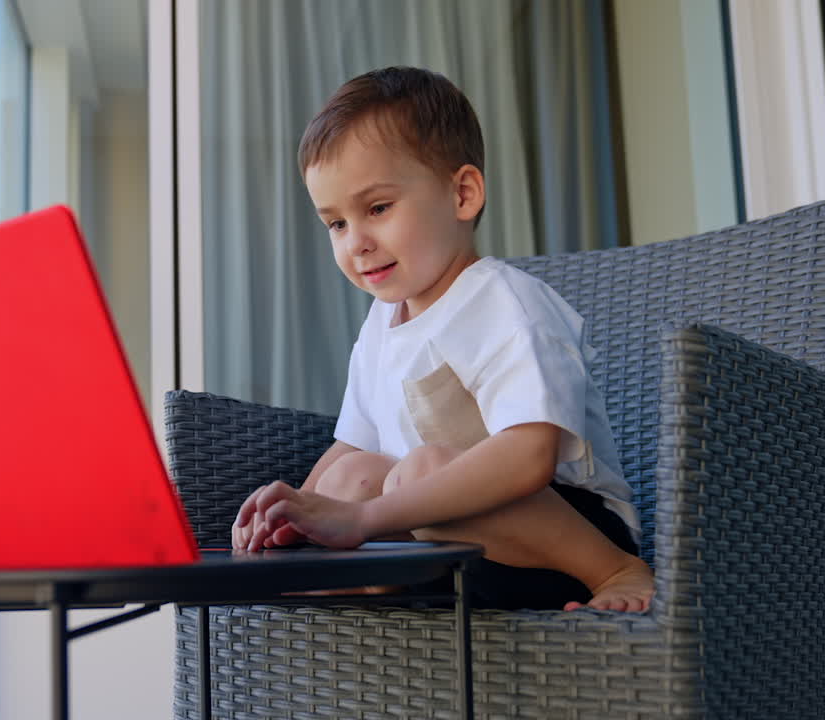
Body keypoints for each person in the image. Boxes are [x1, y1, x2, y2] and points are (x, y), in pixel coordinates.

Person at [231, 66, 653, 612]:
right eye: (335, 223)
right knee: (353, 474)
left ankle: (618, 573)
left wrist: (361, 520)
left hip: (564, 539)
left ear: (463, 194)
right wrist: (298, 516)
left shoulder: (503, 303)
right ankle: (367, 580)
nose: (356, 242)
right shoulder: (382, 324)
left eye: (377, 208)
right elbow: (354, 446)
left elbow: (530, 457)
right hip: (454, 548)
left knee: (421, 470)